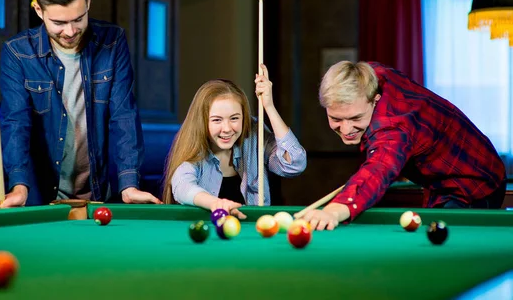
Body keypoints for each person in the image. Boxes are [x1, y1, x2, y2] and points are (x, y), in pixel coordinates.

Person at [0, 0, 161, 208]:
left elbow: (124, 115)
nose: (70, 31)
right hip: (42, 198)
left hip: (99, 194)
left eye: (78, 19)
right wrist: (18, 186)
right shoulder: (18, 53)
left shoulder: (112, 42)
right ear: (39, 10)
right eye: (59, 22)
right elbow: (16, 123)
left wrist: (129, 184)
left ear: (88, 2)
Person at [300, 61, 507, 230]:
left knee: (444, 247)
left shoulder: (393, 128)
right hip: (441, 178)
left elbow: (378, 169)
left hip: (475, 179)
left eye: (356, 118)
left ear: (375, 100)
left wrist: (334, 211)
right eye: (336, 118)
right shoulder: (371, 75)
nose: (346, 129)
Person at [162, 65, 307, 218]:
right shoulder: (195, 149)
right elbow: (182, 186)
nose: (227, 128)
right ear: (202, 122)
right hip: (209, 237)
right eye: (217, 120)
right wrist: (215, 203)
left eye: (234, 118)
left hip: (253, 237)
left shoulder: (254, 135)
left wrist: (269, 106)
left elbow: (294, 165)